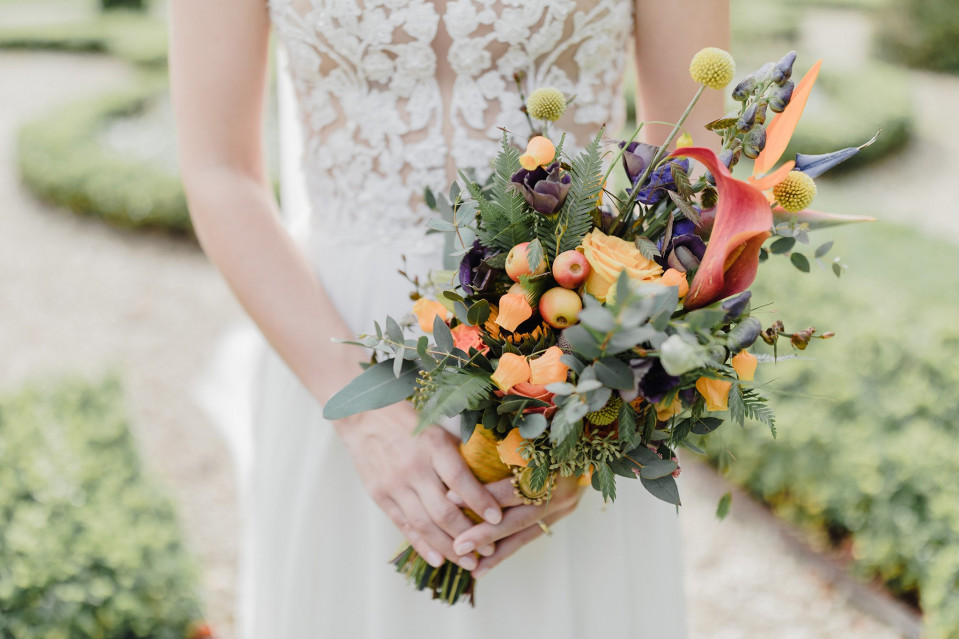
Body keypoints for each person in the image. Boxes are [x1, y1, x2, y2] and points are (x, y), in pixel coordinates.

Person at [170, 0, 729, 636]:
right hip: (330, 342)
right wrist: (362, 416)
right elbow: (218, 171)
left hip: (582, 339)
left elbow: (703, 166)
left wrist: (591, 424)